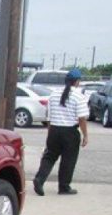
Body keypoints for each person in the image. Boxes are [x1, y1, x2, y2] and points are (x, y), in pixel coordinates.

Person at [33, 68, 89, 196]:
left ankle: (39, 179)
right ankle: (64, 187)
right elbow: (82, 119)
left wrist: (50, 132)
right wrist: (85, 135)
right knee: (68, 160)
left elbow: (49, 117)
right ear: (77, 82)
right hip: (70, 132)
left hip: (54, 130)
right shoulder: (79, 96)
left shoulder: (54, 94)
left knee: (49, 157)